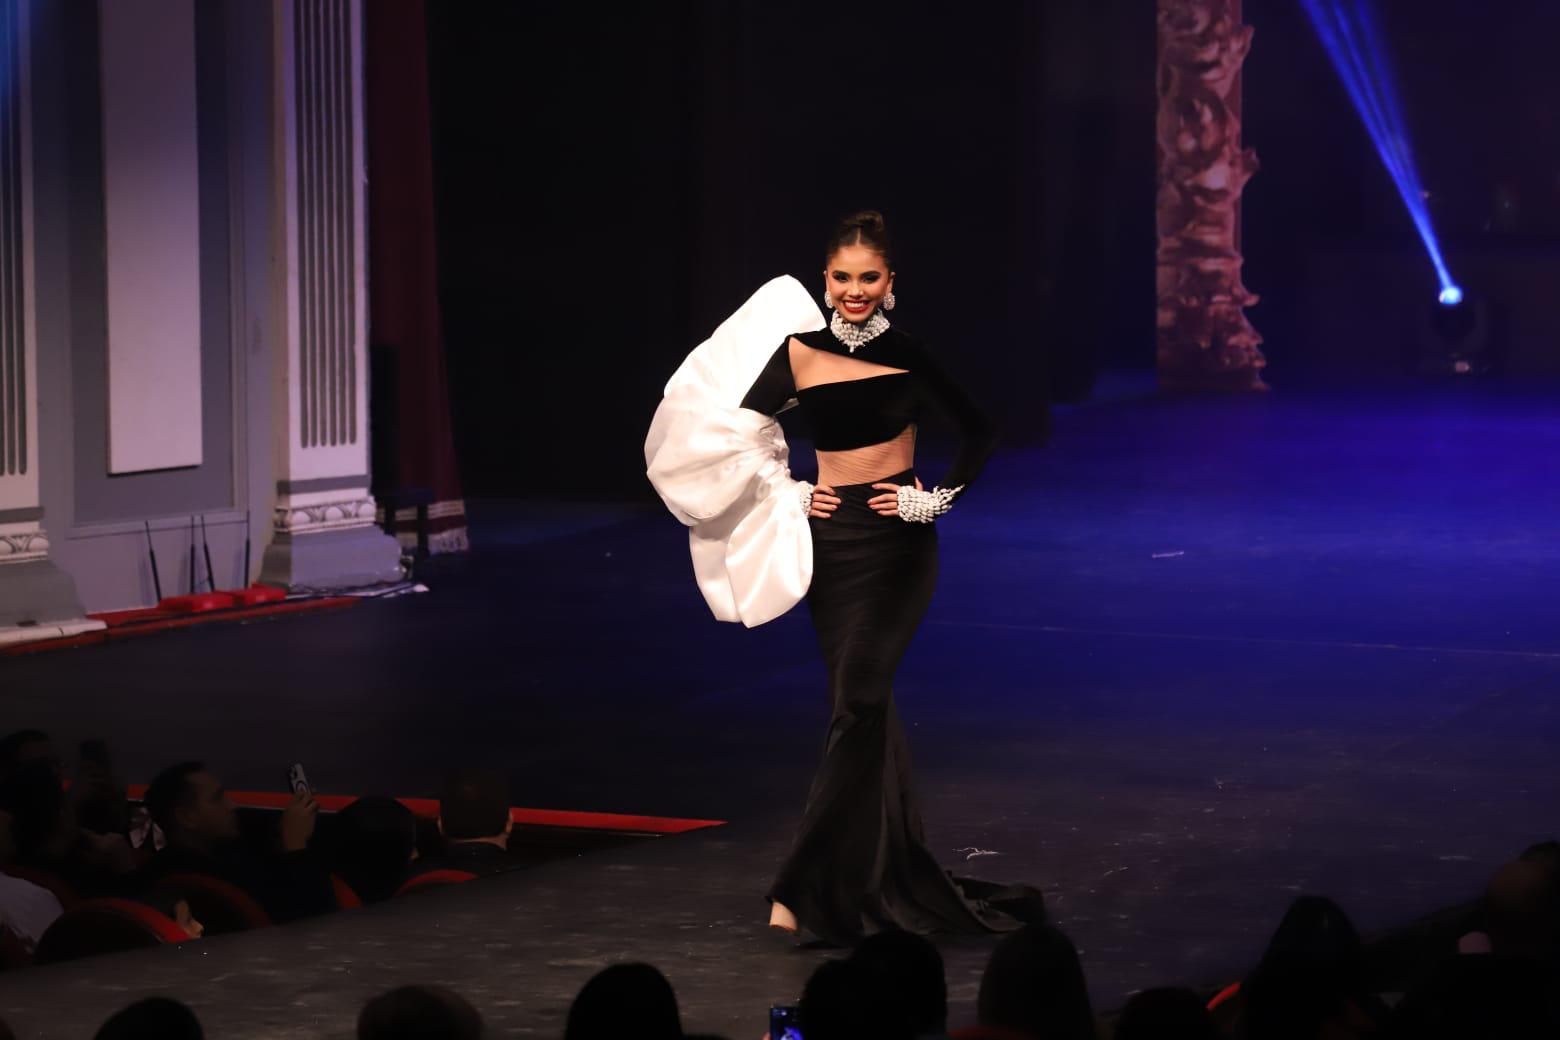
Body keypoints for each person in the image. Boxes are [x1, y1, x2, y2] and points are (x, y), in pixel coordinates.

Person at [648, 211, 1035, 944]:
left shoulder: (909, 354)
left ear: (889, 283)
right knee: (866, 712)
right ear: (826, 279)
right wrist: (788, 488)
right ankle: (889, 875)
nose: (855, 290)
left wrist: (936, 498)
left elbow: (982, 430)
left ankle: (798, 887)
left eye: (869, 278)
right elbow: (725, 430)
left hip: (896, 544)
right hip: (832, 544)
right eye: (842, 277)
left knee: (857, 703)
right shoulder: (799, 354)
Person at [134, 761, 331, 921]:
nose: (231, 805)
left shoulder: (160, 871)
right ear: (187, 817)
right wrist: (296, 845)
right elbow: (316, 921)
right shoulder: (217, 886)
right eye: (217, 798)